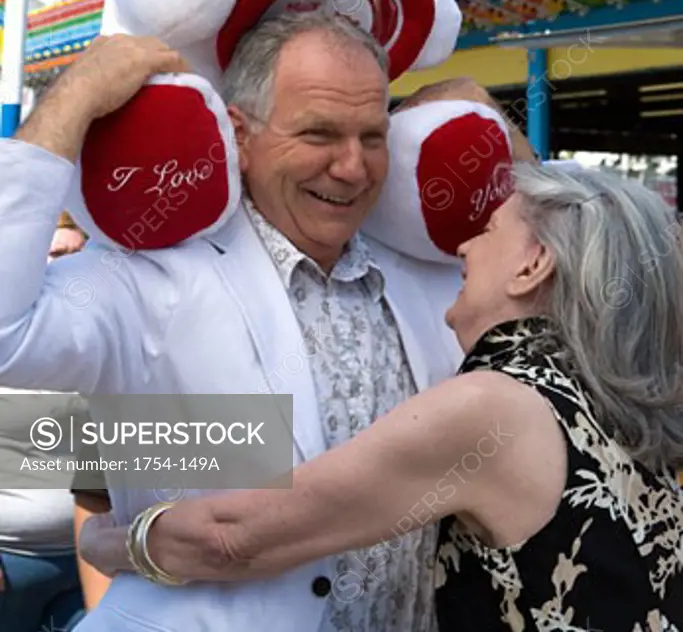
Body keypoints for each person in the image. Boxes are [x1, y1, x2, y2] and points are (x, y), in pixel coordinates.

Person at [0, 11, 507, 632]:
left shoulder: (427, 271)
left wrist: (490, 120)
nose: (352, 167)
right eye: (319, 134)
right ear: (238, 134)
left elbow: (577, 260)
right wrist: (72, 100)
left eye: (372, 136)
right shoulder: (151, 276)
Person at [80, 163, 683, 630]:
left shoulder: (493, 404)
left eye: (490, 229)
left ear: (534, 266)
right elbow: (43, 439)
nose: (463, 246)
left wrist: (107, 540)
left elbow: (233, 535)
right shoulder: (616, 398)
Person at [0, 219, 88, 632]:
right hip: (10, 566)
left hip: (91, 563)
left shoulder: (107, 341)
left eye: (75, 254)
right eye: (53, 254)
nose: (62, 267)